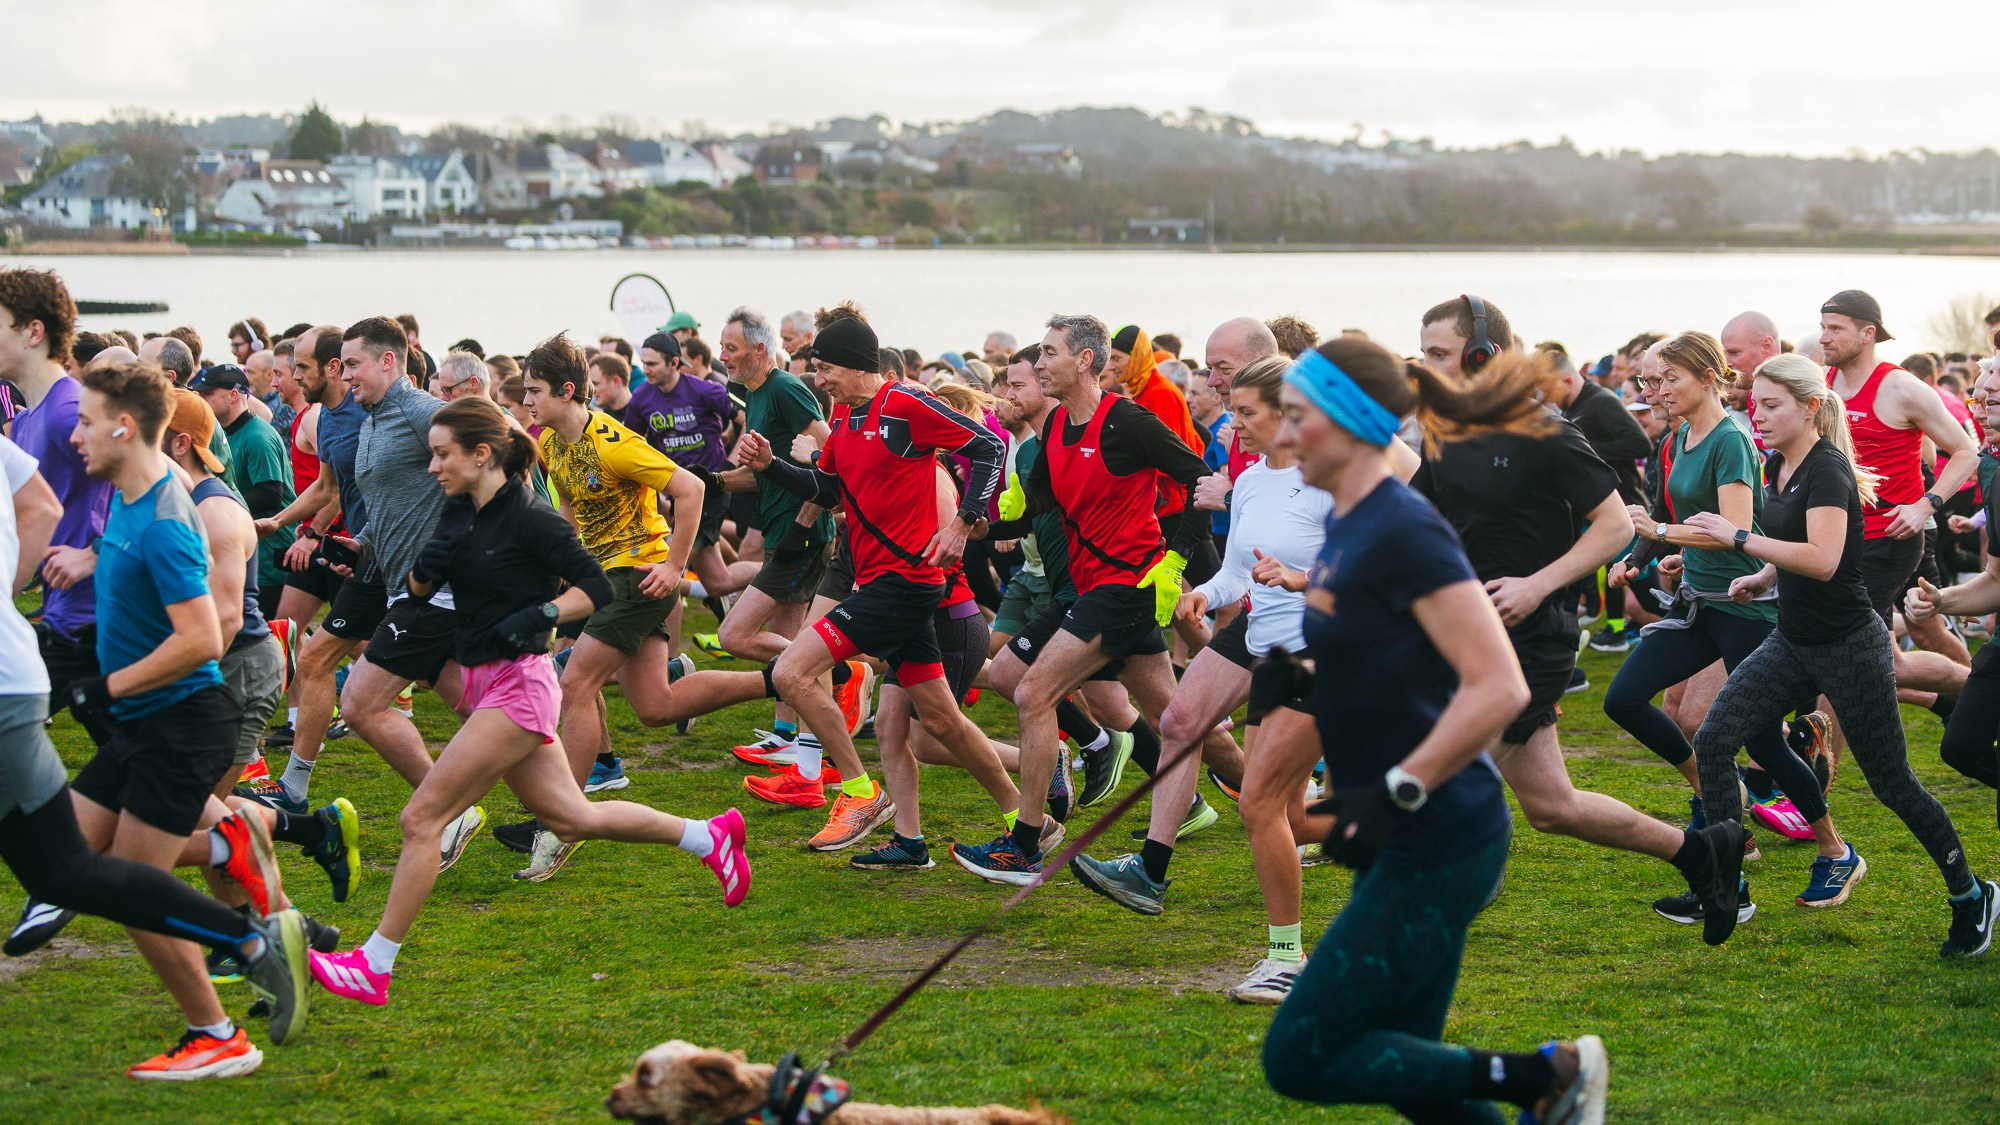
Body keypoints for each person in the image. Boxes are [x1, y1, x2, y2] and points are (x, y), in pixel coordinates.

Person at [1260, 336, 1608, 1124]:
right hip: (1406, 831)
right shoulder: (1349, 521)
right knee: (1411, 1072)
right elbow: (1409, 663)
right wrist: (1306, 678)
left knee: (1301, 1053)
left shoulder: (1401, 529)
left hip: (1440, 833)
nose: (1281, 438)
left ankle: (1546, 1072)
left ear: (1348, 422)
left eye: (1295, 418)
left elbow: (1498, 685)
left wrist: (1395, 791)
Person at [308, 398, 751, 1009]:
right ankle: (709, 837)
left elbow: (594, 589)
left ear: (481, 454)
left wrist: (541, 612)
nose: (432, 466)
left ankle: (374, 963)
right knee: (572, 818)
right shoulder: (460, 513)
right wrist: (419, 576)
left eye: (442, 455)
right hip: (488, 680)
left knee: (420, 819)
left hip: (520, 687)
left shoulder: (535, 521)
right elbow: (428, 587)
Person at [40, 359, 320, 1073]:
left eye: (85, 421)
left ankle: (222, 1021)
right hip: (145, 721)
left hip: (180, 721)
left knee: (132, 890)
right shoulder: (132, 500)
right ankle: (234, 851)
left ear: (124, 427)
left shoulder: (168, 517)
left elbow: (202, 635)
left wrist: (106, 689)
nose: (75, 435)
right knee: (67, 864)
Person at [1686, 354, 1995, 954]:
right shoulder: (1781, 463)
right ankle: (1728, 885)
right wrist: (1764, 577)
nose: (1759, 414)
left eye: (1771, 404)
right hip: (1792, 640)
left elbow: (1826, 560)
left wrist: (1742, 539)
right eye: (1755, 403)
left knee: (1894, 784)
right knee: (1715, 740)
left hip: (1849, 647)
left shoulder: (1826, 469)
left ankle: (1971, 894)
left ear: (1808, 407)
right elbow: (1802, 552)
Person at [954, 314, 1218, 887]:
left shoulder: (1127, 422)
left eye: (1049, 354)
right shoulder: (1054, 432)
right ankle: (1281, 808)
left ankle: (1026, 844)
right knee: (1180, 722)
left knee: (1031, 691)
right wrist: (983, 522)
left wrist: (1175, 561)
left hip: (1126, 586)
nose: (1039, 363)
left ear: (1085, 362)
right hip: (1093, 584)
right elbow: (1041, 504)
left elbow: (1203, 480)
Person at [734, 313, 1013, 854]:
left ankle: (861, 793)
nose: (820, 380)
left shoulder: (905, 405)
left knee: (793, 671)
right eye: (816, 369)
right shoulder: (846, 423)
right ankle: (1025, 821)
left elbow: (988, 448)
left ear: (861, 367)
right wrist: (769, 466)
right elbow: (827, 488)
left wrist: (960, 524)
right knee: (941, 722)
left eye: (827, 368)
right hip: (882, 583)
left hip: (904, 583)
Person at [1066, 357, 1324, 930]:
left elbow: (1364, 568)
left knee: (1287, 812)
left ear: (1288, 413)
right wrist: (1204, 594)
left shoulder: (1326, 480)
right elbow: (1236, 571)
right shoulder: (1252, 480)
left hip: (1313, 645)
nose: (1234, 423)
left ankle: (1420, 829)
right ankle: (1150, 873)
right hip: (1254, 633)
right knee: (1180, 722)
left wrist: (1302, 579)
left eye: (1246, 411)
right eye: (1233, 410)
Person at [508, 335, 770, 877]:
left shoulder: (613, 441)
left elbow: (692, 488)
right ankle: (781, 677)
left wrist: (676, 567)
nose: (526, 402)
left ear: (566, 390)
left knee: (574, 684)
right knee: (656, 706)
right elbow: (571, 515)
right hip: (603, 575)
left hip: (639, 576)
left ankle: (562, 823)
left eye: (534, 391)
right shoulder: (552, 444)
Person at [1602, 332, 1790, 831]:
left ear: (1708, 378)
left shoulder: (1731, 439)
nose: (1656, 392)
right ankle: (1714, 797)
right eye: (1650, 381)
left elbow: (1734, 532)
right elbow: (1669, 513)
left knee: (1750, 735)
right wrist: (1646, 557)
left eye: (1666, 379)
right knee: (1630, 701)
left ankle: (1831, 846)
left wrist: (1660, 533)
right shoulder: (1675, 438)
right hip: (1697, 602)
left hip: (1745, 603)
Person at [1821, 290, 1977, 708]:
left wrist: (1925, 505)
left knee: (1844, 647)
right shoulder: (1823, 383)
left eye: (1835, 328)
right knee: (1912, 644)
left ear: (1867, 333)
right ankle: (1973, 702)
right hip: (1844, 536)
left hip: (1891, 536)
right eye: (1822, 327)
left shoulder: (1902, 387)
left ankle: (1816, 770)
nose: (1824, 337)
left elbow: (1965, 452)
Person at [713, 307, 836, 760]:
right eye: (722, 346)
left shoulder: (785, 388)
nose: (722, 356)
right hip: (782, 531)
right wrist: (713, 481)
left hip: (802, 533)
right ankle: (789, 735)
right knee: (788, 626)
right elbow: (764, 473)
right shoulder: (755, 395)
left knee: (734, 635)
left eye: (731, 348)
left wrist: (804, 521)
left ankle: (833, 671)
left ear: (760, 350)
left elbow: (829, 451)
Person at [625, 330, 743, 600]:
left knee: (669, 564)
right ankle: (774, 575)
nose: (646, 370)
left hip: (711, 488)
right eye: (643, 363)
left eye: (652, 364)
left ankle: (656, 628)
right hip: (678, 490)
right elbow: (631, 443)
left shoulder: (704, 390)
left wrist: (729, 465)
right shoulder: (642, 398)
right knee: (717, 581)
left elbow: (746, 420)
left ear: (674, 363)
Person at [192, 363, 297, 620]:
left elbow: (270, 493)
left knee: (273, 628)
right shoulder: (225, 433)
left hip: (270, 552)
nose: (202, 401)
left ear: (233, 395)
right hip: (250, 547)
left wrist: (222, 512)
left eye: (208, 395)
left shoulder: (257, 437)